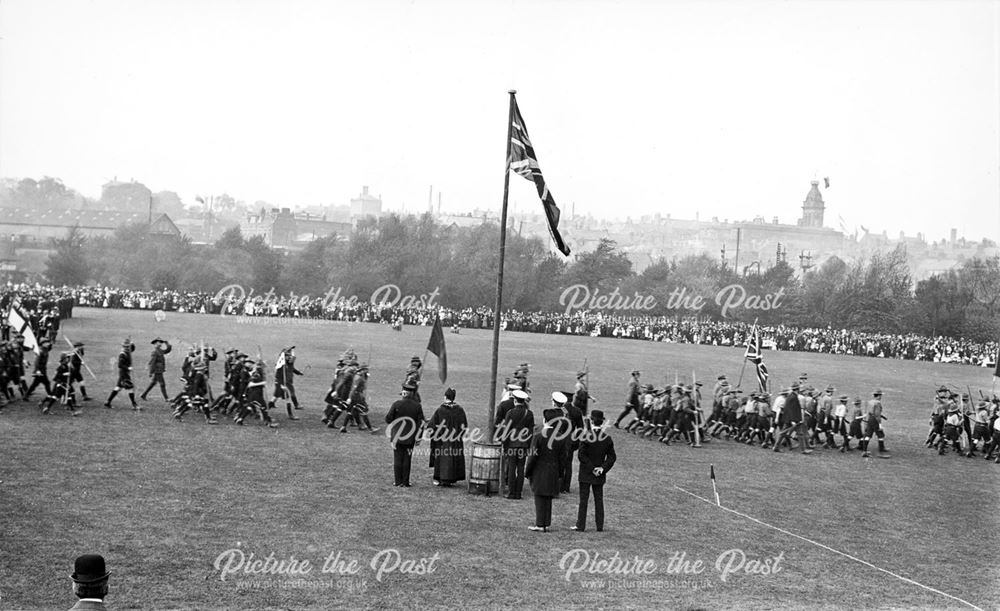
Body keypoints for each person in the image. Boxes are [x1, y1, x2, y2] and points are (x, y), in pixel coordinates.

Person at [572, 410, 616, 533]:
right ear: (602, 422)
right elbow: (612, 457)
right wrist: (602, 468)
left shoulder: (585, 436)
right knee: (599, 499)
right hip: (599, 473)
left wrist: (592, 468)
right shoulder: (607, 439)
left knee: (583, 500)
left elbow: (581, 456)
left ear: (591, 421)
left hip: (586, 472)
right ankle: (599, 525)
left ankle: (581, 525)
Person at [525, 408, 567, 532]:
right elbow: (563, 457)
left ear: (545, 420)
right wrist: (560, 472)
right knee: (548, 498)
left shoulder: (538, 436)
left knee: (539, 497)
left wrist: (527, 471)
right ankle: (546, 523)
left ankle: (539, 523)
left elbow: (532, 456)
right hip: (553, 468)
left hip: (539, 469)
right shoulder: (560, 437)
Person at [385, 381, 425, 487]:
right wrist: (419, 437)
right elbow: (421, 423)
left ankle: (398, 481)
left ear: (403, 392)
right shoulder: (417, 406)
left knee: (397, 459)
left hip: (397, 436)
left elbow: (388, 419)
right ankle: (406, 481)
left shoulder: (397, 404)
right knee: (407, 459)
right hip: (410, 437)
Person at [428, 387, 467, 486]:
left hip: (443, 440)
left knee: (442, 459)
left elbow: (433, 425)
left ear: (445, 397)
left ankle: (441, 478)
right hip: (455, 440)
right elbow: (464, 425)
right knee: (453, 457)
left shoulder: (441, 410)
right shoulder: (459, 410)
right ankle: (452, 478)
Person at [500, 389, 534, 500]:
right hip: (523, 445)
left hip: (512, 444)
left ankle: (511, 492)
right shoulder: (529, 414)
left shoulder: (510, 413)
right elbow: (530, 432)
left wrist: (504, 444)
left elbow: (506, 430)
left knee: (511, 468)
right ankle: (518, 493)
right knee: (520, 468)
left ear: (515, 400)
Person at [104, 339, 137, 410]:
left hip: (124, 373)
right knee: (130, 388)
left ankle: (108, 402)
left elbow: (133, 349)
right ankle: (134, 404)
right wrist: (128, 368)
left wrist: (132, 343)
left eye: (129, 346)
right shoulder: (123, 354)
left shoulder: (128, 352)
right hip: (124, 374)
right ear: (124, 347)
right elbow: (120, 365)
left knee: (118, 388)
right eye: (127, 346)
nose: (128, 348)